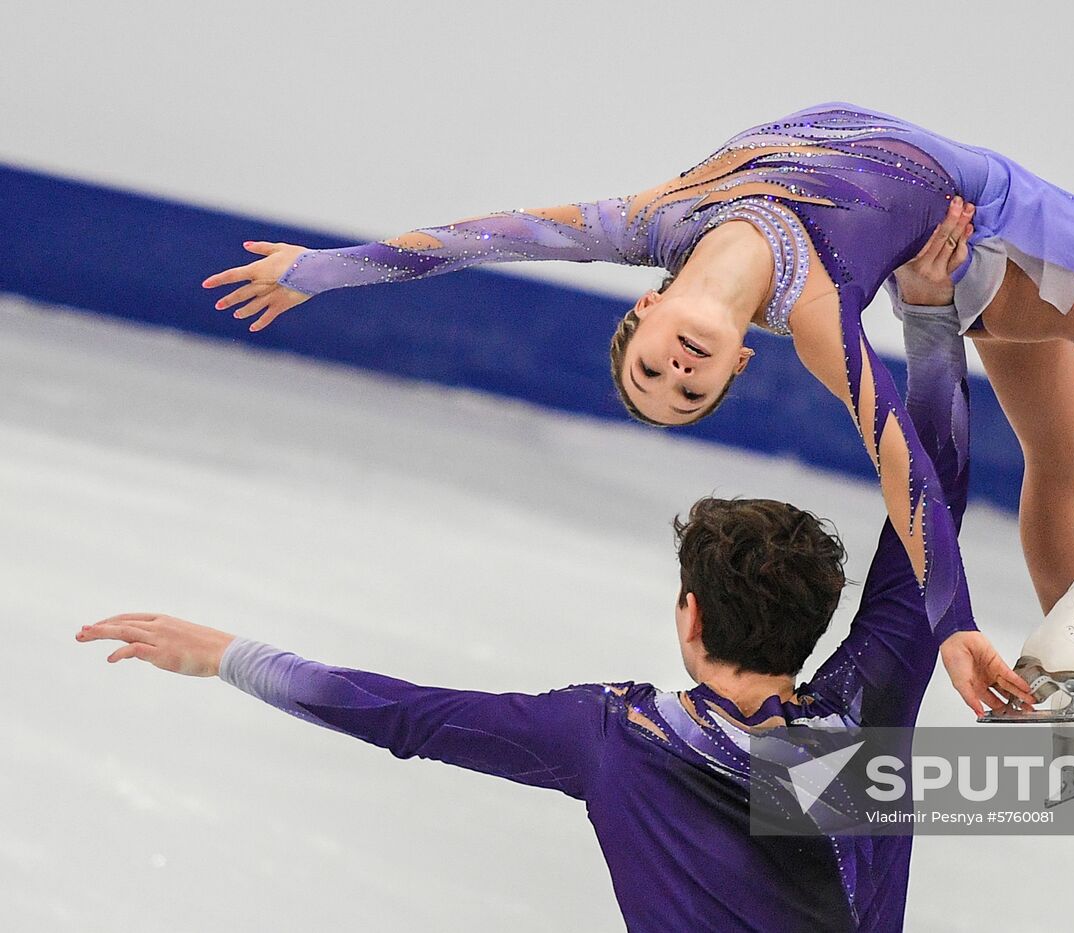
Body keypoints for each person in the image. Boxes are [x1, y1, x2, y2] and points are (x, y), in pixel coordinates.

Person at [203, 101, 1074, 720]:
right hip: (988, 215)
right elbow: (914, 467)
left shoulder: (647, 221)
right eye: (689, 391)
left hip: (951, 252)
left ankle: (1066, 689)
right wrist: (952, 627)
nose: (679, 372)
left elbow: (485, 236)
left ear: (648, 303)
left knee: (1061, 454)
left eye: (656, 370)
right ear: (732, 374)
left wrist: (320, 269)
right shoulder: (812, 313)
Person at [76, 305, 1017, 932]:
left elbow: (402, 714)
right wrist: (934, 312)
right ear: (816, 618)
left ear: (689, 618)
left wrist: (224, 655)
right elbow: (930, 499)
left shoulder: (617, 735)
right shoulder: (869, 721)